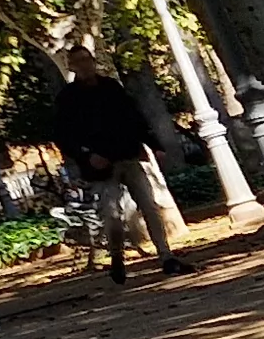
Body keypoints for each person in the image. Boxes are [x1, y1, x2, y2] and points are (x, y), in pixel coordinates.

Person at [50, 47, 196, 284]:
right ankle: (117, 257)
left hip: (128, 156)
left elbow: (134, 117)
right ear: (71, 67)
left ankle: (166, 257)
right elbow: (64, 137)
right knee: (112, 216)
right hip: (99, 168)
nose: (84, 66)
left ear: (93, 61)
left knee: (149, 206)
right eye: (78, 62)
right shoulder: (67, 99)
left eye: (87, 60)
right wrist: (87, 156)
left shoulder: (111, 88)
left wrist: (153, 145)